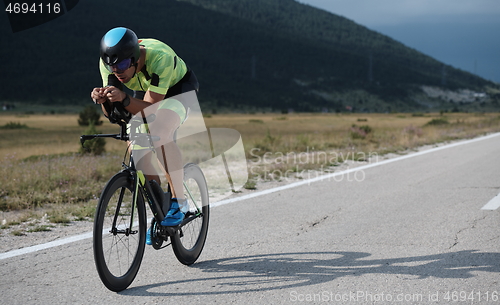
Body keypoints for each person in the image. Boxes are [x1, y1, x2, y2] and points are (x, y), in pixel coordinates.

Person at [90, 27, 199, 242]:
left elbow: (150, 108)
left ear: (135, 58)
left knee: (159, 131)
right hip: (147, 90)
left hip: (178, 89)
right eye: (112, 66)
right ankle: (161, 206)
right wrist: (104, 101)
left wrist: (124, 98)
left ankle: (180, 202)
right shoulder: (110, 65)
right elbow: (113, 114)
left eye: (121, 65)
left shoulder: (161, 58)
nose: (116, 71)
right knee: (136, 145)